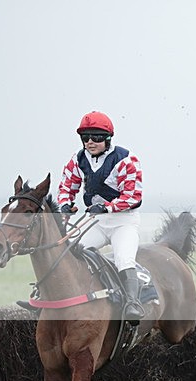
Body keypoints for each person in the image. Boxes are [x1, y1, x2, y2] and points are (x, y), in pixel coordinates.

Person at [57, 111, 145, 323]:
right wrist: (65, 205)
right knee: (69, 251)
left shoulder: (126, 159)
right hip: (95, 222)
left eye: (95, 137)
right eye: (85, 137)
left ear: (107, 138)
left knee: (124, 258)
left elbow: (134, 196)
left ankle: (133, 303)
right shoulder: (78, 159)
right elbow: (67, 186)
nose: (89, 142)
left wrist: (107, 208)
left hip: (123, 222)